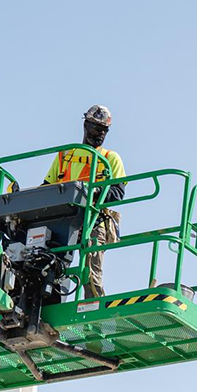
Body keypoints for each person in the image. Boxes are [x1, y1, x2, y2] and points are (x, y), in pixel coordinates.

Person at [43, 104, 126, 298]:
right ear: (86, 125)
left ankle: (92, 310)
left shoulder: (110, 158)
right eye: (97, 128)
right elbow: (46, 188)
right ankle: (49, 305)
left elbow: (117, 193)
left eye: (104, 130)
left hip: (94, 220)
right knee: (49, 264)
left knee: (90, 271)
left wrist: (95, 191)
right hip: (63, 219)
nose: (100, 134)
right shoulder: (65, 156)